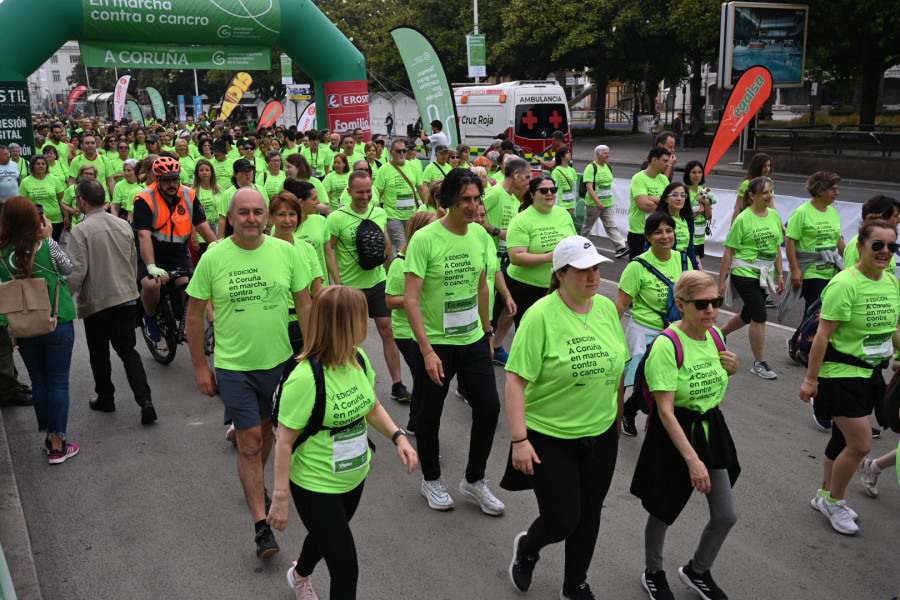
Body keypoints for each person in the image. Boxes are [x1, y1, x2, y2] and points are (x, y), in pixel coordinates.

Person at [266, 286, 417, 600]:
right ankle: (303, 577)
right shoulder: (305, 378)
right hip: (315, 485)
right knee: (345, 567)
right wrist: (280, 497)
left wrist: (398, 437)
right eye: (361, 317)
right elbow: (283, 441)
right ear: (347, 323)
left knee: (325, 539)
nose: (366, 324)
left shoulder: (358, 358)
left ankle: (299, 574)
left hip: (354, 476)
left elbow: (372, 405)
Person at [185, 187, 313, 558]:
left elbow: (305, 302)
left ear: (267, 216)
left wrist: (310, 349)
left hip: (278, 365)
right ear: (230, 217)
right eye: (244, 212)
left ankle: (258, 486)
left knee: (268, 433)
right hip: (233, 367)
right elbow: (193, 316)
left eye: (259, 211)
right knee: (250, 442)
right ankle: (261, 526)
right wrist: (199, 367)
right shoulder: (214, 256)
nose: (252, 218)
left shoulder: (286, 252)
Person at [505, 235, 622, 600]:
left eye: (596, 268)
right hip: (549, 435)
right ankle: (528, 548)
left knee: (590, 514)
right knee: (561, 519)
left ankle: (575, 585)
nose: (593, 276)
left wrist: (616, 416)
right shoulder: (540, 316)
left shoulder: (604, 308)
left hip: (601, 433)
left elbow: (618, 364)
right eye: (582, 270)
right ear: (560, 274)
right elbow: (514, 379)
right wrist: (519, 440)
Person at [630, 270, 740, 600]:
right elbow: (664, 411)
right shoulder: (667, 344)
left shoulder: (716, 336)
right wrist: (692, 460)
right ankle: (653, 571)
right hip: (674, 432)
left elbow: (712, 387)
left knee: (725, 515)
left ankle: (698, 570)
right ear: (680, 304)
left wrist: (731, 370)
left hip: (710, 428)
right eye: (702, 304)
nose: (710, 310)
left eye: (716, 303)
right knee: (663, 510)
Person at [403, 167, 504, 514]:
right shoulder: (425, 239)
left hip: (473, 338)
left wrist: (488, 331)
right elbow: (412, 299)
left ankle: (474, 479)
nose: (474, 206)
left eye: (477, 199)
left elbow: (481, 286)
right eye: (465, 200)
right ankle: (431, 479)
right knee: (430, 415)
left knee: (489, 407)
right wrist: (427, 350)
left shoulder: (480, 236)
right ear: (448, 201)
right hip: (437, 343)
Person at [799, 220, 900, 535]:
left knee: (841, 440)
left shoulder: (891, 283)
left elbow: (893, 329)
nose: (884, 252)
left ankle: (823, 494)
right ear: (860, 246)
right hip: (839, 373)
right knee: (860, 444)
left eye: (891, 246)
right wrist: (811, 380)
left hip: (871, 372)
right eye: (878, 245)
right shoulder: (846, 283)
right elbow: (822, 337)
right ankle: (835, 501)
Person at [66, 179, 155, 424]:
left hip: (97, 302)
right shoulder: (123, 225)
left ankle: (106, 398)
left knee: (99, 353)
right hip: (126, 297)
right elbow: (131, 260)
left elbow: (76, 272)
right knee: (128, 350)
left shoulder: (80, 230)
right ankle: (145, 400)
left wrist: (61, 302)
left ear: (82, 201)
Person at [0, 196, 78, 464]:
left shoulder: (1, 253)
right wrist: (50, 237)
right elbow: (68, 269)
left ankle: (48, 436)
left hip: (22, 325)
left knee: (40, 381)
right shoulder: (45, 245)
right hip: (56, 319)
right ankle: (58, 443)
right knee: (58, 381)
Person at [325, 170, 410, 402]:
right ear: (349, 191)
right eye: (360, 192)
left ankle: (397, 384)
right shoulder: (337, 218)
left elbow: (385, 240)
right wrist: (338, 282)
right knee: (352, 337)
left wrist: (389, 269)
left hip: (377, 283)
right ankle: (353, 384)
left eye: (368, 191)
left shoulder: (379, 212)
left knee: (387, 330)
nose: (365, 196)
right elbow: (328, 249)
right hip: (351, 287)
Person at [617, 211, 692, 437]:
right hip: (643, 332)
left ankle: (639, 414)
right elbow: (620, 305)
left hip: (674, 332)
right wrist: (609, 336)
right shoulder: (637, 266)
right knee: (637, 382)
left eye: (669, 230)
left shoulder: (683, 260)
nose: (665, 236)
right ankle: (620, 416)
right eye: (658, 232)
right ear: (648, 237)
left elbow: (692, 297)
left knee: (668, 383)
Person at [132, 156, 217, 342]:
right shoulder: (144, 199)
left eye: (175, 179)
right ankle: (150, 317)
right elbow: (143, 235)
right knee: (151, 284)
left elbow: (203, 226)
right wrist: (152, 266)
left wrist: (218, 247)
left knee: (187, 288)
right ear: (157, 180)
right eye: (167, 180)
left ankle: (185, 323)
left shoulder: (189, 195)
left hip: (178, 248)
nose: (172, 184)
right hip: (151, 248)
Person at [718, 176, 785, 380]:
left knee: (748, 315)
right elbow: (729, 252)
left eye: (771, 191)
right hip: (744, 272)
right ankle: (759, 363)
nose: (769, 195)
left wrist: (781, 275)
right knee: (759, 315)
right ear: (752, 195)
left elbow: (776, 248)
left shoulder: (773, 215)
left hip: (764, 274)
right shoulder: (743, 219)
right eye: (765, 192)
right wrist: (721, 282)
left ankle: (718, 335)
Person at [386, 211, 438, 430]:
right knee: (425, 382)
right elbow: (390, 301)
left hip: (425, 330)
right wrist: (416, 296)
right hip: (406, 333)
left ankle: (415, 423)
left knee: (424, 382)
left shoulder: (428, 257)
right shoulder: (401, 263)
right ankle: (416, 424)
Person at [505, 176, 576, 325]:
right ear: (532, 195)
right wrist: (549, 257)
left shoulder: (563, 214)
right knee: (531, 331)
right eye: (544, 191)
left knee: (557, 330)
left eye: (553, 189)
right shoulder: (521, 220)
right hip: (526, 288)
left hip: (559, 286)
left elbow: (573, 242)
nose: (549, 193)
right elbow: (516, 257)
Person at [482, 156, 531, 363]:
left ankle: (496, 346)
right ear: (516, 175)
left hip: (507, 259)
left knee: (510, 303)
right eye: (527, 177)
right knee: (486, 303)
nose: (529, 182)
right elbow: (473, 216)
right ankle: (483, 346)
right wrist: (496, 231)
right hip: (489, 259)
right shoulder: (494, 193)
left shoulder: (514, 198)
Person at [779, 171, 845, 321]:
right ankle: (803, 342)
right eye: (833, 189)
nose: (837, 193)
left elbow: (838, 240)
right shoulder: (801, 213)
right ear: (820, 190)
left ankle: (804, 341)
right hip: (811, 271)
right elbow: (790, 242)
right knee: (817, 311)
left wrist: (852, 262)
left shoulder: (833, 213)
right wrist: (795, 270)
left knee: (826, 313)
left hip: (831, 271)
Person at [268, 191, 324, 353]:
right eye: (281, 215)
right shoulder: (262, 249)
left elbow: (316, 291)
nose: (287, 220)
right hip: (274, 325)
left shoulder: (307, 249)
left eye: (292, 214)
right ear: (271, 218)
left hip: (304, 323)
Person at [374, 139, 429, 252]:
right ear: (391, 152)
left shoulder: (413, 167)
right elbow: (377, 193)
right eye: (398, 151)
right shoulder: (384, 169)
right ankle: (400, 268)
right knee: (402, 247)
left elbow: (422, 188)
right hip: (393, 217)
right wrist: (377, 212)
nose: (402, 153)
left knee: (412, 246)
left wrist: (428, 206)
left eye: (404, 150)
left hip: (412, 215)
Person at [580, 145, 627, 258]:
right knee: (587, 227)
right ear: (598, 154)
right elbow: (589, 187)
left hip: (608, 203)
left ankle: (620, 248)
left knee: (611, 225)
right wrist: (597, 202)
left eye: (608, 153)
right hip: (594, 204)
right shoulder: (591, 167)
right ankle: (582, 246)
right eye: (605, 153)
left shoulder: (608, 167)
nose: (608, 155)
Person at [283, 178, 329, 284]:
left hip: (321, 286)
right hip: (296, 290)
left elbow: (328, 255)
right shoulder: (282, 227)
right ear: (301, 202)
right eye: (314, 199)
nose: (318, 202)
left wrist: (337, 282)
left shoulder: (321, 221)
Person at [628, 147, 671, 260]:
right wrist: (662, 203)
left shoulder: (664, 179)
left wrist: (650, 198)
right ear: (654, 160)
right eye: (665, 161)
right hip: (640, 232)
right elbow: (643, 205)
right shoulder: (639, 178)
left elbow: (670, 204)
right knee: (638, 269)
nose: (668, 164)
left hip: (659, 231)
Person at [19, 154, 66, 240]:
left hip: (55, 219)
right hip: (35, 220)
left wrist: (66, 216)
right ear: (32, 166)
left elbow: (61, 199)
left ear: (46, 166)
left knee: (54, 247)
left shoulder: (54, 179)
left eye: (43, 164)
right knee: (39, 247)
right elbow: (24, 203)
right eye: (38, 164)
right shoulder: (25, 182)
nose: (41, 166)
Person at [657, 181, 699, 271]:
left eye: (683, 195)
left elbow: (690, 249)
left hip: (685, 266)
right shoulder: (659, 220)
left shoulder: (688, 220)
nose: (679, 198)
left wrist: (696, 270)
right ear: (666, 199)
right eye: (675, 195)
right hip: (666, 267)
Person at [683, 161, 715, 262]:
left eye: (699, 172)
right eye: (693, 172)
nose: (697, 176)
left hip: (700, 236)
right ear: (688, 174)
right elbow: (683, 216)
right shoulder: (683, 191)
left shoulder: (705, 191)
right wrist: (700, 210)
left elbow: (708, 217)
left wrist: (706, 203)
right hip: (687, 235)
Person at [731, 153, 775, 224]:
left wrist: (781, 225)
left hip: (765, 220)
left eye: (769, 166)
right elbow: (738, 208)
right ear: (757, 167)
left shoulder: (769, 182)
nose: (767, 169)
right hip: (750, 222)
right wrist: (733, 227)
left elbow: (772, 206)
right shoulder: (746, 184)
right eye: (764, 166)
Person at [551, 146, 577, 217]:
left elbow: (574, 188)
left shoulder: (572, 170)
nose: (570, 154)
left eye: (570, 153)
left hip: (571, 203)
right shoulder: (556, 171)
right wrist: (555, 205)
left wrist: (574, 203)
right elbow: (554, 189)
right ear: (561, 156)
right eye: (567, 153)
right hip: (560, 204)